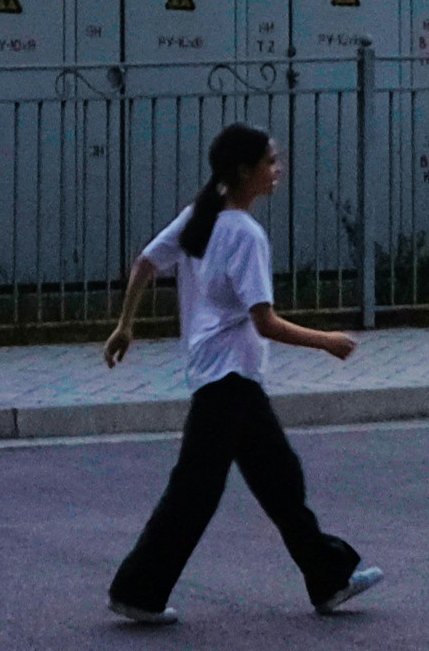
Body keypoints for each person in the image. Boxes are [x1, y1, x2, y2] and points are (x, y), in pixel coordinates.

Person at [98, 121, 384, 625]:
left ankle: (329, 578)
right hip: (228, 382)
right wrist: (328, 343)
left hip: (220, 379)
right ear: (244, 171)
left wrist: (126, 325)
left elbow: (145, 263)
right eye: (270, 162)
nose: (278, 171)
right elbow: (264, 320)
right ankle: (138, 590)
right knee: (200, 492)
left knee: (277, 482)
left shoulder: (199, 217)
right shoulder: (245, 235)